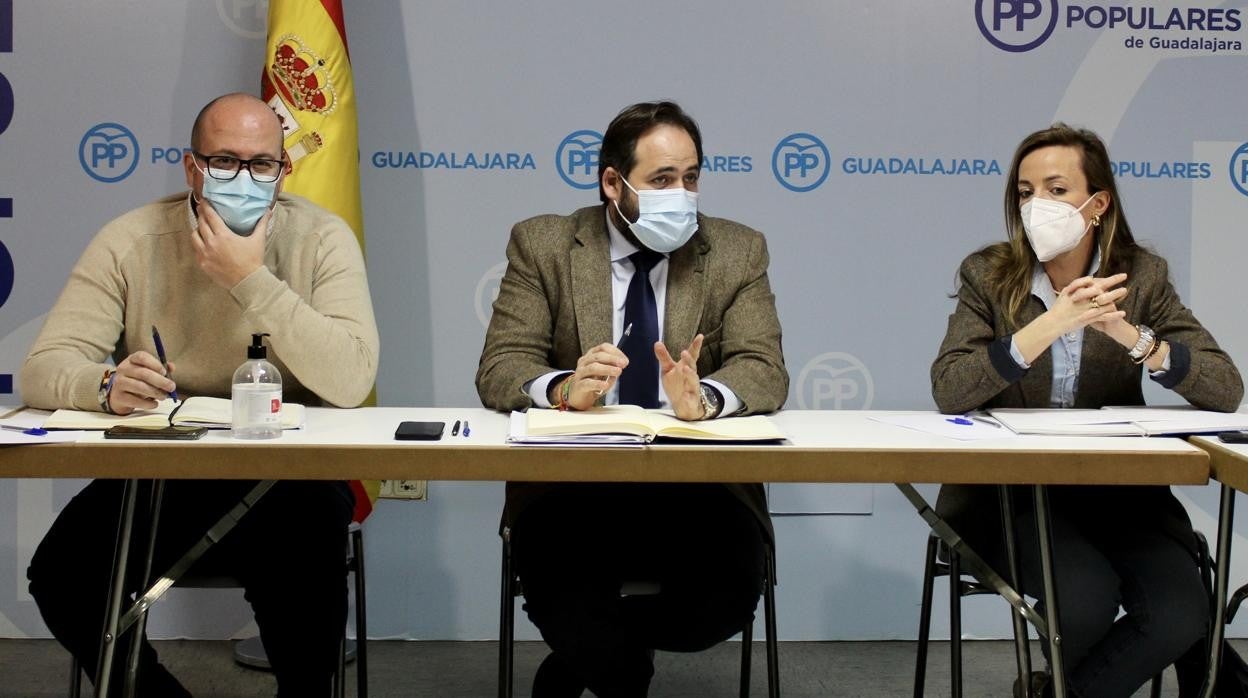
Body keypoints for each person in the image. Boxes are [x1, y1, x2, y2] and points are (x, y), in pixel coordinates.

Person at [21, 93, 380, 697]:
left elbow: (351, 379)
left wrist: (249, 278)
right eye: (224, 161)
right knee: (62, 577)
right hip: (164, 468)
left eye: (262, 164)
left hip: (289, 473)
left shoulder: (321, 237)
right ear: (192, 168)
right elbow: (43, 367)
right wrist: (106, 385)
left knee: (306, 595)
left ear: (283, 170)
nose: (243, 178)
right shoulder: (132, 238)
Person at [477, 101, 788, 697]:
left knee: (715, 611)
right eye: (662, 180)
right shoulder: (544, 245)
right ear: (613, 184)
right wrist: (564, 389)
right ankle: (612, 665)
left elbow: (764, 368)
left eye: (691, 178)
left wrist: (708, 399)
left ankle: (578, 662)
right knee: (571, 606)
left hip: (701, 490)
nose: (682, 194)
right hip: (573, 490)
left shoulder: (738, 250)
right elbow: (502, 366)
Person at [931, 123, 1242, 697]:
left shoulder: (1141, 277)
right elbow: (951, 388)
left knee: (1180, 614)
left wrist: (1132, 337)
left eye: (1054, 190)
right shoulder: (991, 275)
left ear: (1096, 204)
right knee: (1084, 604)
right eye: (1025, 193)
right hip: (1013, 495)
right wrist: (1049, 325)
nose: (1035, 206)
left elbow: (1225, 388)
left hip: (1117, 492)